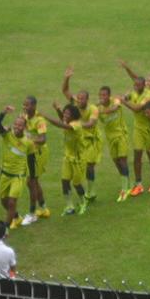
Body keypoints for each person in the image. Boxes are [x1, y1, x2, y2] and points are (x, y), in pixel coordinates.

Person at [119, 60, 150, 195]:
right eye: (134, 85)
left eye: (138, 85)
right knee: (137, 156)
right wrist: (127, 69)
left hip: (149, 129)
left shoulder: (147, 95)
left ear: (144, 85)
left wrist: (123, 101)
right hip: (138, 128)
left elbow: (137, 109)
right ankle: (139, 184)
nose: (135, 86)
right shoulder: (135, 91)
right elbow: (133, 85)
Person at [62, 66, 102, 202]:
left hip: (92, 140)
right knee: (81, 168)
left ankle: (91, 191)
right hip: (80, 140)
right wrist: (67, 77)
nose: (79, 101)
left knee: (90, 165)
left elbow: (91, 124)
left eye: (82, 99)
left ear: (87, 99)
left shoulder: (93, 109)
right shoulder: (75, 104)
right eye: (78, 98)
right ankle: (85, 191)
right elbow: (65, 90)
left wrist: (77, 126)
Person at [0, 106, 37, 229]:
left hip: (18, 176)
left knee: (12, 202)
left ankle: (6, 228)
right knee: (4, 201)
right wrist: (3, 112)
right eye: (16, 125)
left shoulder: (28, 142)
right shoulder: (7, 135)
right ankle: (16, 217)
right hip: (5, 174)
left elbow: (31, 160)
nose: (17, 127)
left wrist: (32, 177)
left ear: (25, 127)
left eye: (20, 125)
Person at [40, 103, 88, 215]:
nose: (65, 115)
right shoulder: (69, 121)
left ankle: (83, 202)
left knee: (76, 184)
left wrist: (46, 116)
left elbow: (62, 124)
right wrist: (58, 109)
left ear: (74, 115)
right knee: (65, 181)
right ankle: (69, 206)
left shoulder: (76, 125)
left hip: (78, 159)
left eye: (68, 113)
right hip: (68, 157)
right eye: (65, 112)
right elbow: (63, 120)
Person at [97, 86, 131, 202]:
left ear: (109, 95)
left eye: (104, 95)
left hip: (121, 135)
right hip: (110, 139)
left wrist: (99, 110)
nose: (102, 97)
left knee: (122, 160)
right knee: (117, 162)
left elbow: (115, 107)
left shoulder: (115, 100)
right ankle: (127, 183)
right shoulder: (98, 109)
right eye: (100, 95)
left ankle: (125, 189)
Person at [22, 96, 51, 225]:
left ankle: (32, 213)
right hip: (30, 152)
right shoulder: (25, 117)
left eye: (27, 105)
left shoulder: (39, 121)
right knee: (33, 181)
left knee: (31, 182)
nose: (25, 107)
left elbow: (43, 139)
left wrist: (29, 140)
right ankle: (44, 208)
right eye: (24, 105)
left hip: (37, 154)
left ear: (34, 106)